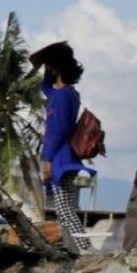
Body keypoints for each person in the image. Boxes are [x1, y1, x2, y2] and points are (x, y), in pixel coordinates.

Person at [33, 41, 93, 251]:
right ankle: (82, 246)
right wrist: (46, 69)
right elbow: (46, 87)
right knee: (65, 206)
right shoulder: (68, 93)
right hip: (64, 157)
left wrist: (48, 160)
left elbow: (57, 131)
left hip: (60, 158)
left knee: (65, 208)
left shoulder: (62, 96)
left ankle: (84, 247)